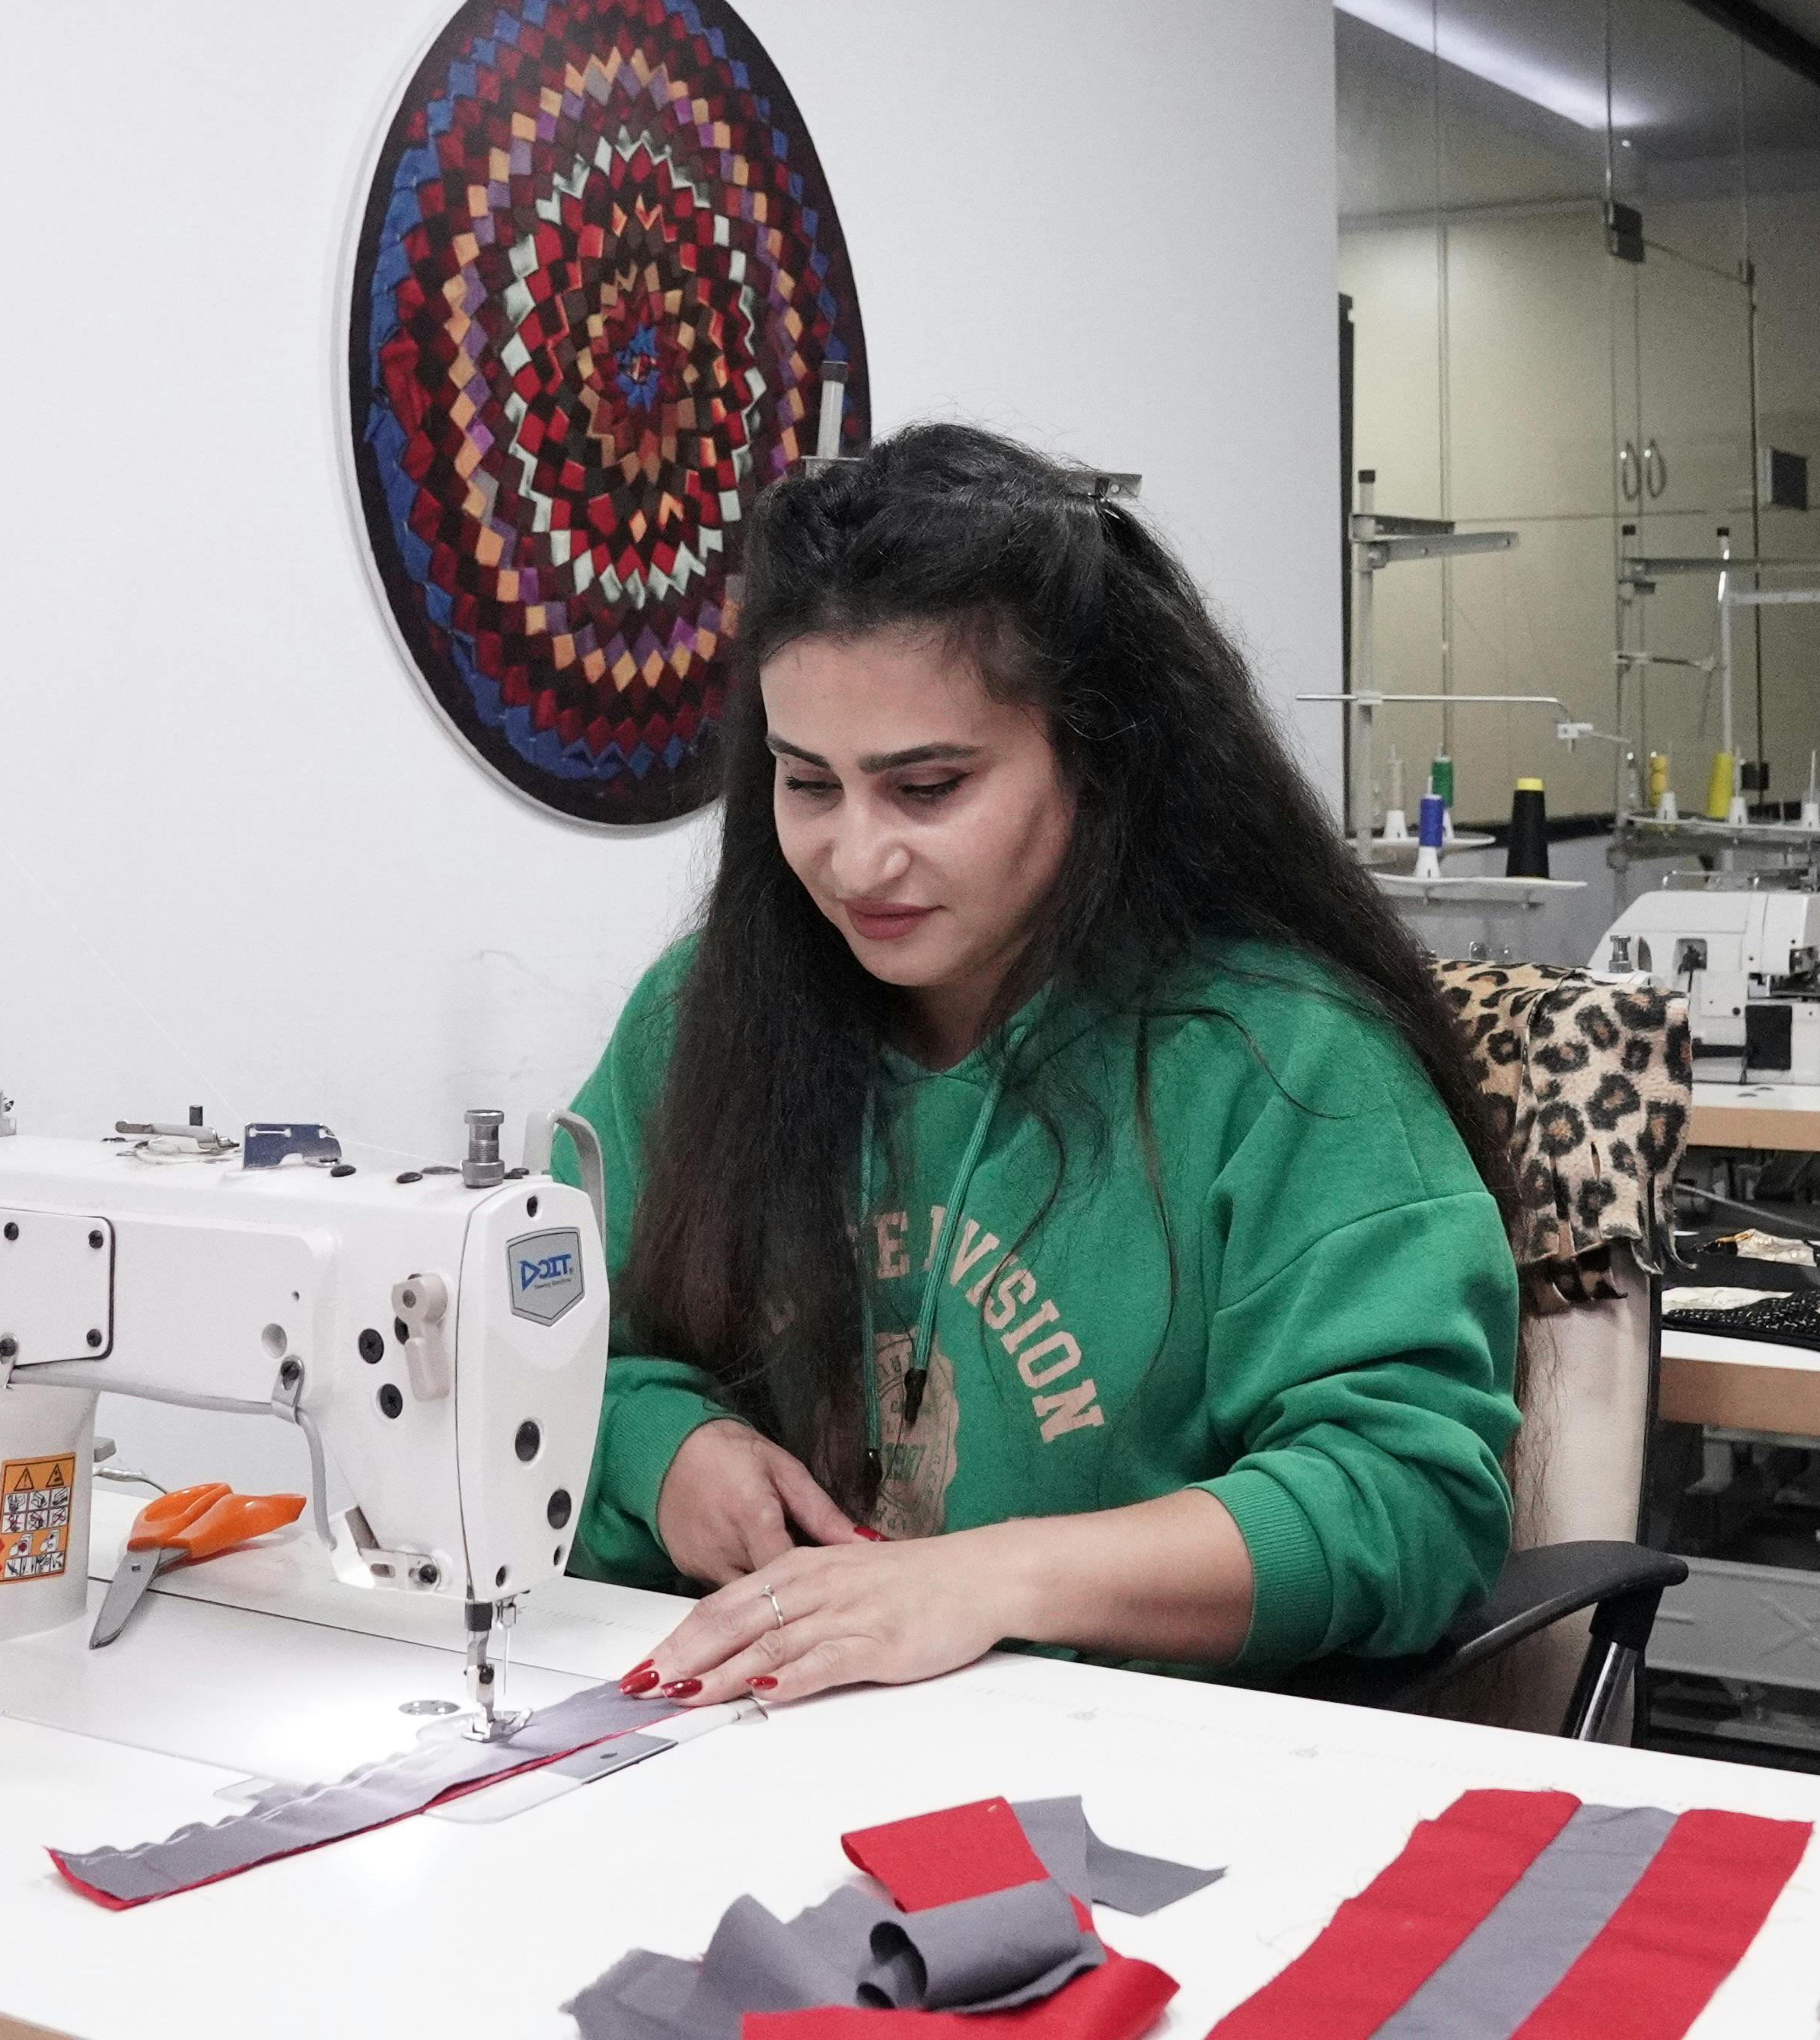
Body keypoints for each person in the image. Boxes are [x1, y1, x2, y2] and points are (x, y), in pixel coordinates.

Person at [563, 422, 1525, 1705]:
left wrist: (988, 1581)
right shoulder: (697, 1021)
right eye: (808, 785)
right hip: (775, 1741)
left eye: (928, 788)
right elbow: (552, 1345)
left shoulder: (1283, 1062)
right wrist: (667, 1451)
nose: (856, 860)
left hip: (1149, 1763)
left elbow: (1408, 1500)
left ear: (1097, 761)